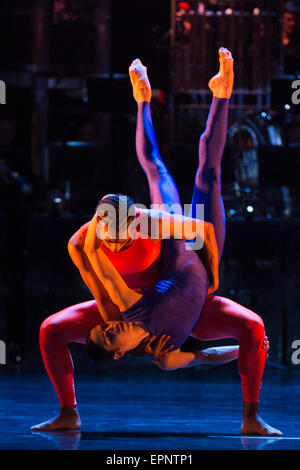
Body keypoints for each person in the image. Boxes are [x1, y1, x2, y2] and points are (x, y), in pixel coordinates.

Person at [32, 49, 280, 436]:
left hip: (187, 248)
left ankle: (161, 98)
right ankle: (69, 413)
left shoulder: (149, 222)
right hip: (171, 298)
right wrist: (148, 341)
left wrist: (212, 276)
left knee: (192, 173)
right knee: (51, 329)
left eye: (125, 231)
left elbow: (204, 235)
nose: (118, 242)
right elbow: (104, 292)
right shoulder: (85, 245)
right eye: (113, 238)